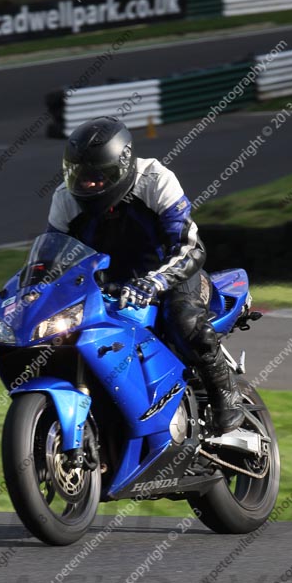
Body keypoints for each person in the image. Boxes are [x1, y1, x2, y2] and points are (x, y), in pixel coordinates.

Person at [47, 116, 243, 433]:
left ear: (120, 167)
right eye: (79, 175)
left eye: (97, 177)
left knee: (185, 320)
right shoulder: (64, 199)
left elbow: (189, 247)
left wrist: (156, 282)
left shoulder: (155, 179)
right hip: (109, 288)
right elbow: (52, 260)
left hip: (171, 276)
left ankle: (226, 399)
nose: (87, 184)